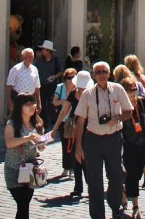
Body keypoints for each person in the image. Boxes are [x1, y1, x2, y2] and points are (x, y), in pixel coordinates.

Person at [74, 60, 132, 219]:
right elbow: (79, 121)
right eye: (98, 72)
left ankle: (115, 207)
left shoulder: (118, 89)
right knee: (95, 182)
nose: (101, 75)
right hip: (93, 140)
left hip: (113, 139)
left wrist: (118, 118)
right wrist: (78, 146)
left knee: (116, 176)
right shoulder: (87, 94)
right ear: (93, 75)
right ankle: (98, 216)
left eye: (104, 72)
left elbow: (129, 111)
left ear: (109, 73)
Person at [51, 69, 92, 200]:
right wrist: (55, 128)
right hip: (75, 129)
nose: (80, 89)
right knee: (75, 157)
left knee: (86, 158)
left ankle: (91, 186)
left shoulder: (91, 94)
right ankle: (78, 188)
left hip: (90, 130)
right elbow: (64, 111)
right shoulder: (73, 94)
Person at [120, 75, 145, 219]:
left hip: (141, 142)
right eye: (129, 90)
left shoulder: (142, 103)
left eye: (134, 89)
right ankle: (135, 206)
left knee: (140, 169)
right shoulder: (120, 106)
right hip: (127, 143)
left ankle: (124, 190)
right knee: (131, 173)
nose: (133, 92)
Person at [4, 93, 43, 219]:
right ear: (20, 107)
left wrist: (42, 144)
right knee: (22, 204)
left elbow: (40, 146)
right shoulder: (12, 124)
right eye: (28, 104)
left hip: (31, 169)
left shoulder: (36, 123)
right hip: (14, 169)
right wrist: (28, 138)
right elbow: (9, 143)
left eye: (33, 103)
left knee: (24, 205)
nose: (32, 106)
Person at [53, 67, 78, 177]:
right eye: (69, 77)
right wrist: (66, 101)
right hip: (64, 120)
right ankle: (66, 167)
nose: (71, 80)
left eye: (73, 77)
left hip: (74, 120)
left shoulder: (78, 89)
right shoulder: (60, 87)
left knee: (73, 144)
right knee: (65, 144)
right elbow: (54, 102)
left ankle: (73, 168)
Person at [35, 39, 63, 128]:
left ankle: (54, 121)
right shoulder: (40, 61)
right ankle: (45, 123)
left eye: (44, 49)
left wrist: (55, 76)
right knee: (42, 104)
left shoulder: (55, 60)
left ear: (48, 51)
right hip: (42, 85)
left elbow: (60, 71)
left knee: (53, 104)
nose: (42, 51)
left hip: (52, 86)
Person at [6, 48, 41, 115]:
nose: (31, 59)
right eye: (29, 57)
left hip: (30, 99)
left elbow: (37, 87)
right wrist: (9, 102)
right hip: (18, 98)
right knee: (17, 119)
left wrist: (39, 103)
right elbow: (8, 86)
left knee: (30, 120)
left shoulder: (35, 69)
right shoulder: (15, 69)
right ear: (23, 57)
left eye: (32, 57)